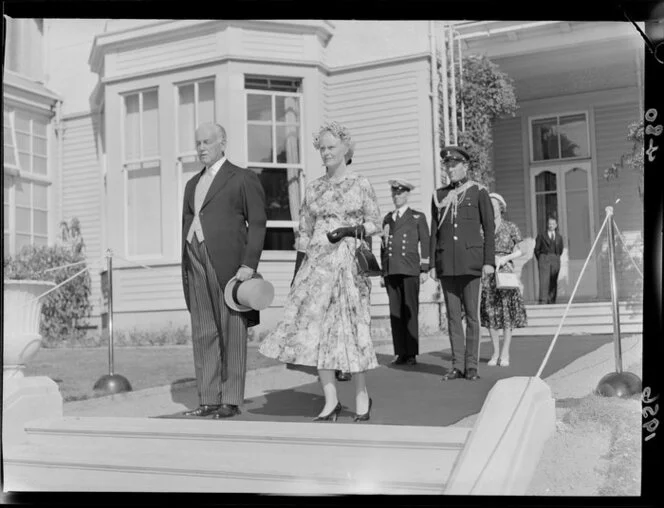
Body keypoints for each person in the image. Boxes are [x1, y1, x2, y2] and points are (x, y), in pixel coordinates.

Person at [259, 121, 381, 422]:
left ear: (345, 149)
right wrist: (297, 272)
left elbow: (376, 222)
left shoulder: (360, 184)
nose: (326, 152)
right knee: (316, 332)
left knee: (351, 331)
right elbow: (304, 233)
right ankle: (330, 400)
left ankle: (361, 395)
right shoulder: (313, 188)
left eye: (331, 147)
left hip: (349, 267)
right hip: (317, 269)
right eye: (322, 148)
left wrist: (351, 230)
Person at [181, 123, 267, 419]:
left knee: (232, 330)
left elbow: (257, 223)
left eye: (207, 142)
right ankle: (207, 398)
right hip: (195, 257)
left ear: (222, 142)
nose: (201, 147)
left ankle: (230, 400)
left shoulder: (241, 177)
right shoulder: (192, 183)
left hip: (229, 264)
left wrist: (248, 264)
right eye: (198, 143)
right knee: (203, 330)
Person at [429, 146, 495, 381]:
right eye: (447, 165)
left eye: (454, 165)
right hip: (447, 263)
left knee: (473, 317)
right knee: (453, 318)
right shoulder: (439, 196)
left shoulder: (478, 192)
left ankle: (472, 366)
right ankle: (457, 365)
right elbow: (434, 232)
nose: (450, 169)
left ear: (465, 166)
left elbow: (489, 228)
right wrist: (433, 264)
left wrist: (489, 262)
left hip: (472, 264)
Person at [381, 178, 430, 366]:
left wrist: (424, 268)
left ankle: (411, 353)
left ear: (407, 194)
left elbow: (425, 242)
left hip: (410, 269)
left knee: (409, 310)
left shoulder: (417, 217)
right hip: (392, 270)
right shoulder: (388, 218)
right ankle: (400, 352)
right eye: (394, 193)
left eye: (400, 193)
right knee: (395, 313)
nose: (396, 196)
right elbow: (384, 246)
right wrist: (383, 271)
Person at [480, 193, 528, 367]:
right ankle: (495, 351)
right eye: (488, 205)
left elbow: (523, 248)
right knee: (491, 313)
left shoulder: (510, 227)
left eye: (494, 205)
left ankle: (505, 352)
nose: (491, 208)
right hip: (488, 272)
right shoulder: (483, 228)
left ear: (501, 207)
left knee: (507, 313)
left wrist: (506, 258)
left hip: (505, 271)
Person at [534, 216, 564, 304]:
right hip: (544, 258)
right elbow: (537, 250)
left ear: (556, 225)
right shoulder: (541, 235)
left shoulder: (559, 237)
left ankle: (552, 300)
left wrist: (556, 257)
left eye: (553, 224)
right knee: (544, 280)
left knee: (553, 280)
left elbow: (560, 249)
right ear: (547, 224)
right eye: (549, 224)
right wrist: (541, 259)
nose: (551, 225)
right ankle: (543, 301)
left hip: (555, 259)